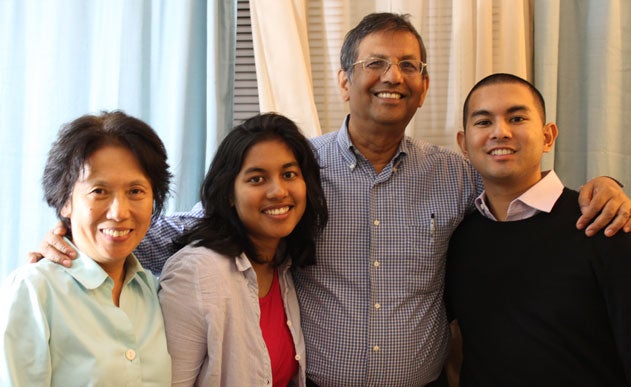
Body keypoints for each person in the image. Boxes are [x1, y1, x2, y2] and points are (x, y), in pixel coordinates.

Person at [30, 13, 631, 386]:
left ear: (423, 88)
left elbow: (520, 190)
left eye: (408, 65)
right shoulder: (294, 172)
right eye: (374, 63)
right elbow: (196, 226)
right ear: (344, 81)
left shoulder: (456, 174)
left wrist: (605, 189)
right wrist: (78, 243)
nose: (391, 75)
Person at [445, 73, 631, 386]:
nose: (500, 132)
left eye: (516, 118)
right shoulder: (458, 236)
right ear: (464, 144)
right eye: (483, 122)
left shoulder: (602, 223)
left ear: (548, 136)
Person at [1, 111, 172, 386]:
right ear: (65, 202)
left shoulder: (155, 291)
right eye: (99, 191)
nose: (119, 212)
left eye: (136, 191)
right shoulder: (33, 291)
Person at [158, 113, 328, 386]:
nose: (278, 191)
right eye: (257, 179)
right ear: (229, 193)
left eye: (289, 174)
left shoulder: (282, 265)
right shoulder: (196, 272)